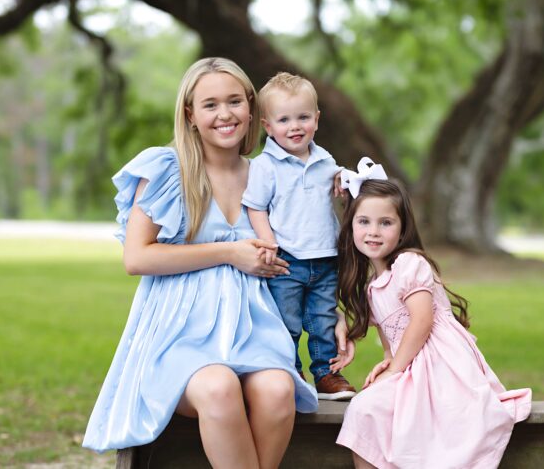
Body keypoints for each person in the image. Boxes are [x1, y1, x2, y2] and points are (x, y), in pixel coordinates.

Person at [82, 58, 351, 468]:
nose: (224, 114)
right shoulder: (169, 170)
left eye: (234, 102)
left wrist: (331, 315)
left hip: (257, 329)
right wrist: (228, 252)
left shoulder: (269, 173)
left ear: (252, 109)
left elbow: (311, 254)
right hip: (180, 332)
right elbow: (136, 257)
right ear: (190, 114)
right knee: (219, 387)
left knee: (279, 391)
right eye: (209, 105)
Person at [335, 160, 532, 469]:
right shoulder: (373, 286)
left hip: (442, 364)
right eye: (364, 222)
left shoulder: (409, 264)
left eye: (385, 223)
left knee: (376, 411)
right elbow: (390, 341)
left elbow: (422, 321)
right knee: (367, 409)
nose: (373, 231)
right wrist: (389, 360)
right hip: (411, 364)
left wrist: (394, 369)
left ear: (402, 230)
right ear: (351, 227)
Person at [241, 72, 356, 400]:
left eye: (303, 117)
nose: (295, 126)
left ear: (316, 120)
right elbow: (255, 208)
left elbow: (338, 192)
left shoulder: (325, 161)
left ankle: (326, 375)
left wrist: (344, 182)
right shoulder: (266, 166)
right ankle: (289, 373)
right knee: (286, 322)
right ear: (267, 126)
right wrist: (268, 243)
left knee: (322, 322)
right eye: (284, 119)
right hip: (287, 259)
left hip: (325, 258)